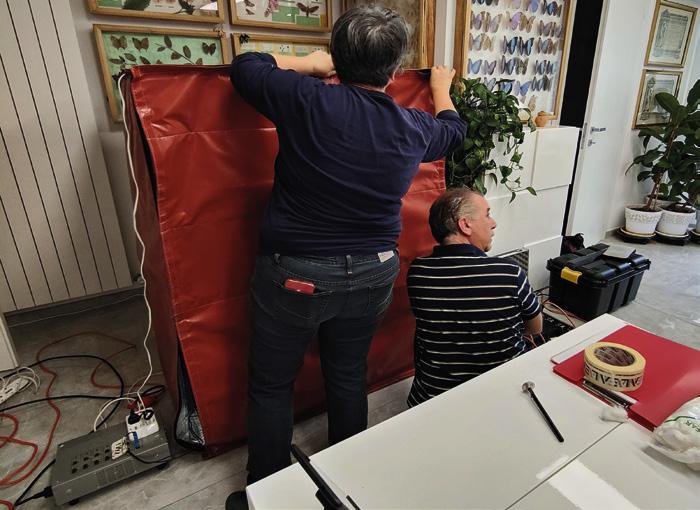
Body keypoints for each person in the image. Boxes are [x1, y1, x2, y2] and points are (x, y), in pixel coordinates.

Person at [226, 5, 467, 503]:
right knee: (348, 373)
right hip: (375, 272)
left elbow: (247, 65)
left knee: (272, 385)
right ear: (395, 70)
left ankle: (267, 496)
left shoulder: (307, 98)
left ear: (336, 56)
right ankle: (349, 482)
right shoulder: (412, 126)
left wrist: (309, 64)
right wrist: (441, 87)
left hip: (297, 274)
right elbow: (453, 130)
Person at [406, 188, 543, 407]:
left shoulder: (418, 273)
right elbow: (536, 328)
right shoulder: (509, 273)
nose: (493, 223)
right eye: (487, 214)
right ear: (465, 225)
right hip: (503, 399)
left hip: (433, 402)